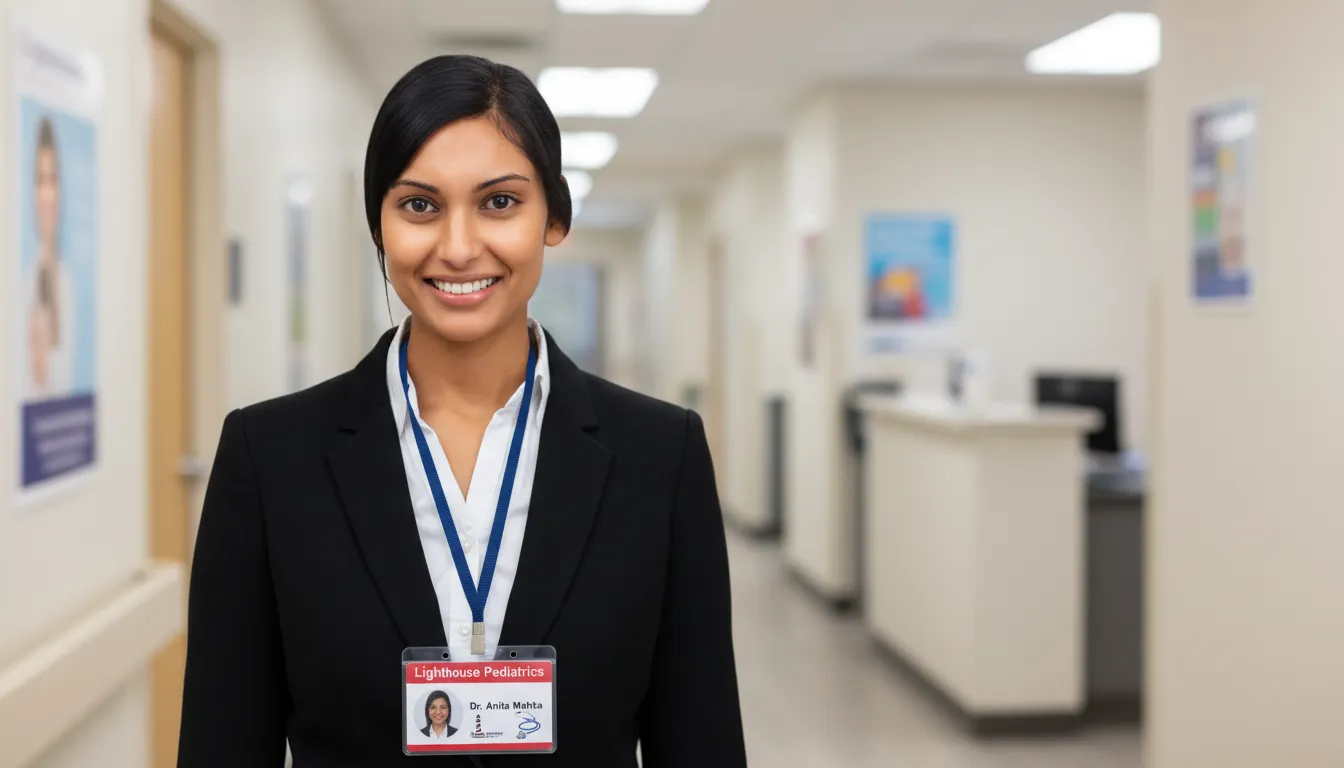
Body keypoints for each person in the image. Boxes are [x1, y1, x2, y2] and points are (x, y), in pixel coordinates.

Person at [178, 55, 746, 766]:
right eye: (420, 205)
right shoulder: (269, 458)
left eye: (499, 202)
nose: (457, 246)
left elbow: (701, 742)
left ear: (555, 217)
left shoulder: (660, 457)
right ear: (379, 228)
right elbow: (222, 743)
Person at [23, 116, 75, 400]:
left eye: (53, 180)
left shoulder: (66, 283)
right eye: (39, 180)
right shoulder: (26, 285)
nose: (47, 195)